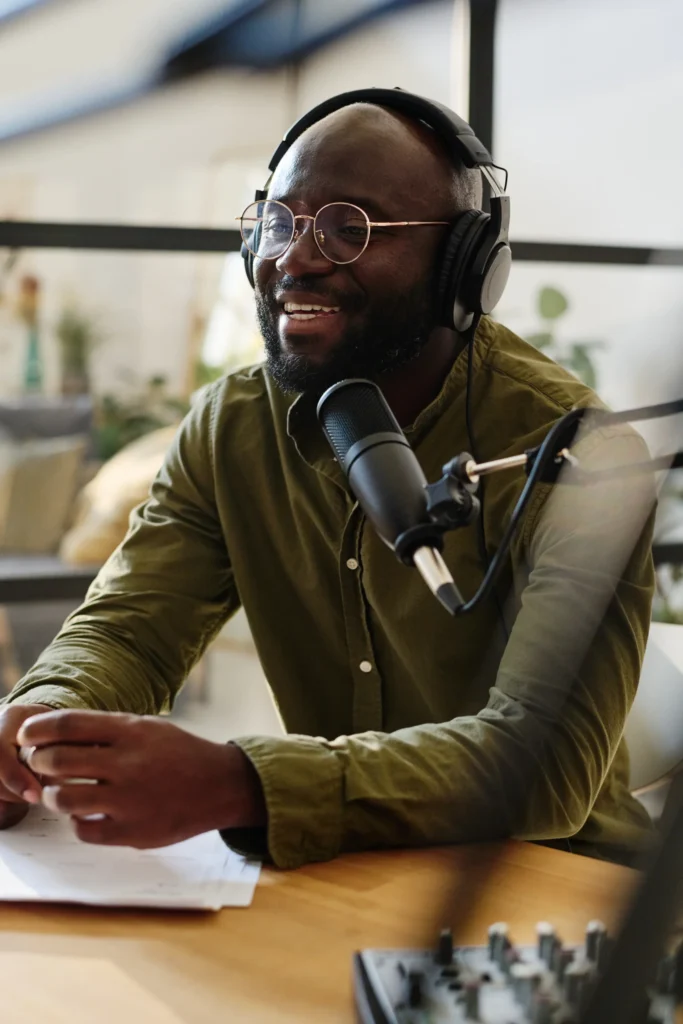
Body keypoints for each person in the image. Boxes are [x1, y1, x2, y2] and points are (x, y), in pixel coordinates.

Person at [0, 94, 655, 869]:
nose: (293, 258)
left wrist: (243, 784)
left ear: (463, 261)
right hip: (346, 875)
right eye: (278, 222)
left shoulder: (575, 452)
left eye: (350, 228)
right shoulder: (231, 426)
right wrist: (43, 715)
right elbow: (132, 629)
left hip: (545, 884)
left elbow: (543, 760)